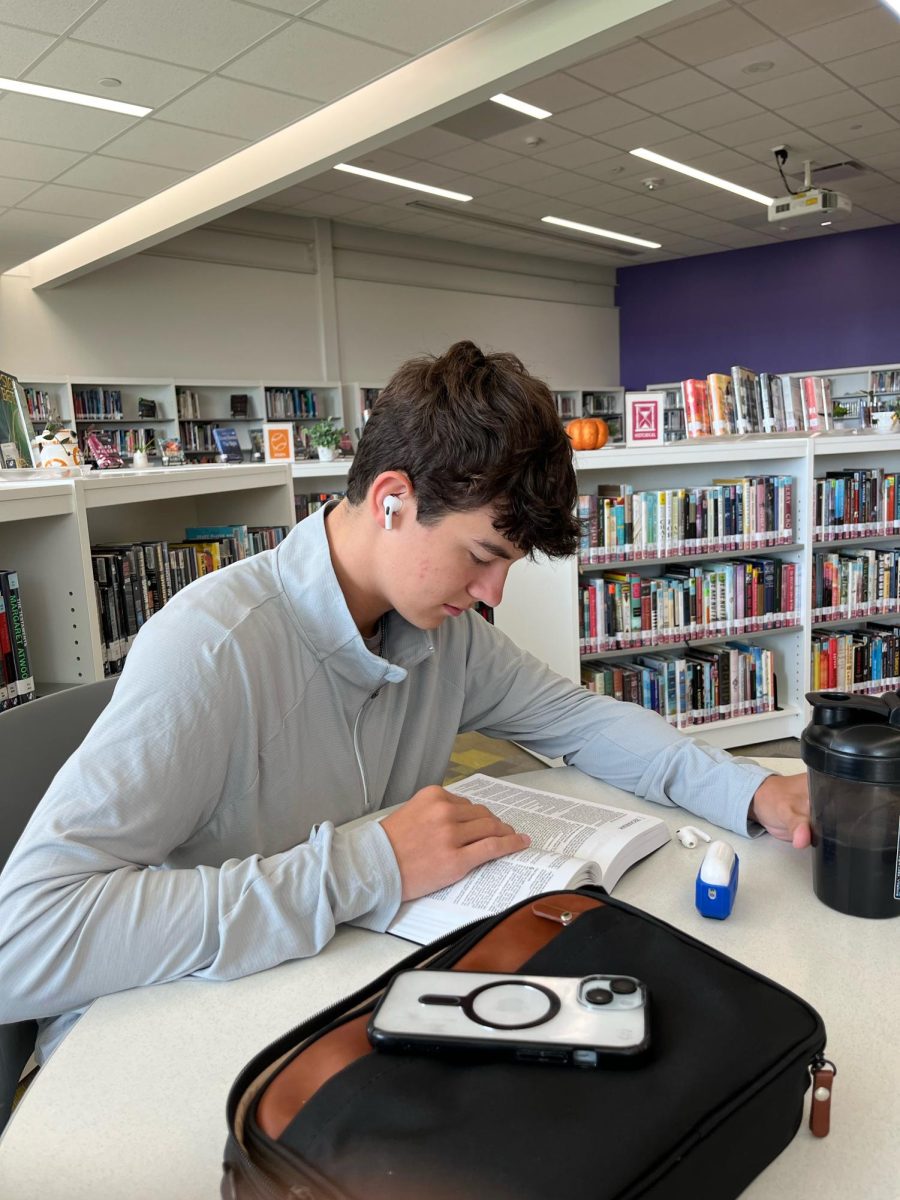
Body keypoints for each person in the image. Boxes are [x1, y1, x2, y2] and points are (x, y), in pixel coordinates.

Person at [0, 341, 808, 1062]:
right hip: (158, 1038)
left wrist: (751, 791)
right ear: (392, 498)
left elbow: (580, 720)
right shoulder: (213, 650)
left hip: (333, 1001)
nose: (492, 591)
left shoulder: (438, 631)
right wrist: (367, 866)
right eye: (482, 554)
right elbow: (23, 943)